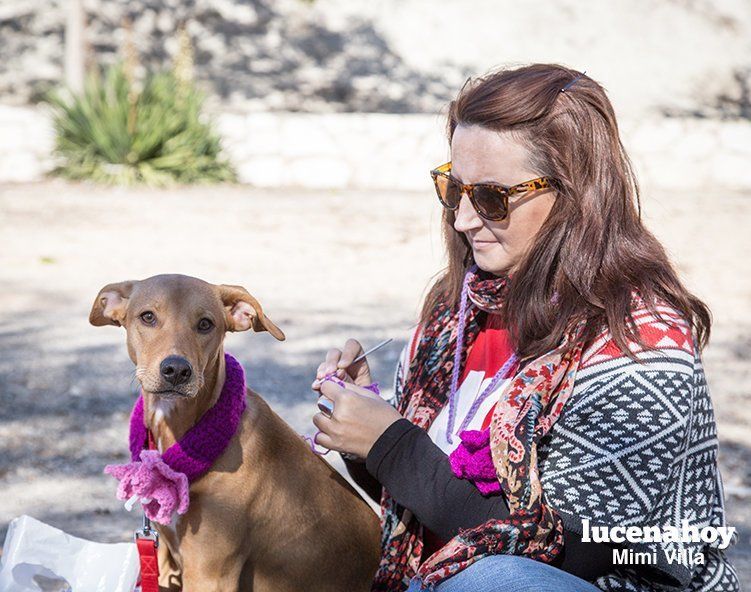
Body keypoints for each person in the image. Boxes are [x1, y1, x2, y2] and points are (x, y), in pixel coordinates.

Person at [310, 64, 740, 592]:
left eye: (491, 197)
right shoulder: (455, 313)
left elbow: (580, 553)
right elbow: (433, 507)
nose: (463, 219)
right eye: (453, 188)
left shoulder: (642, 345)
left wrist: (393, 445)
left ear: (573, 195)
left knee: (493, 581)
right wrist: (362, 435)